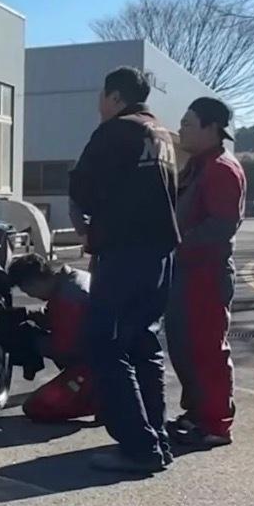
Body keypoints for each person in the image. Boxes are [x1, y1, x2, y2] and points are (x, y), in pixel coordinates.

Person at [68, 67, 181, 473]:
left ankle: (138, 446)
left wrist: (88, 228)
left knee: (105, 345)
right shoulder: (162, 135)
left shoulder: (116, 131)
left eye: (102, 96)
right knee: (144, 345)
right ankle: (157, 439)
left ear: (115, 97)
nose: (99, 104)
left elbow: (82, 188)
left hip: (124, 255)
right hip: (160, 254)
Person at [167, 97, 246, 448]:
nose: (181, 129)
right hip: (185, 273)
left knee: (207, 349)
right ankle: (197, 413)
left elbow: (222, 225)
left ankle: (215, 424)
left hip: (206, 275)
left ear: (211, 128)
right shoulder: (197, 166)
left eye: (188, 123)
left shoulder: (221, 169)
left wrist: (177, 244)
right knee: (184, 346)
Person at [7, 254, 96, 423]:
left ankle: (100, 402)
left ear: (34, 282)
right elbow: (59, 319)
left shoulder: (67, 299)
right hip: (102, 360)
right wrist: (29, 314)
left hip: (89, 370)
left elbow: (66, 349)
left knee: (37, 407)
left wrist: (32, 342)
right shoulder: (73, 279)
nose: (31, 296)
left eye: (28, 291)